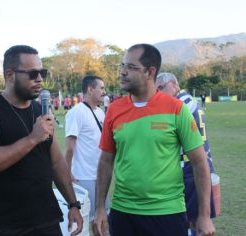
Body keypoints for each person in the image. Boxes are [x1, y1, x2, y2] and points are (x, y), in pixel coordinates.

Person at [94, 44, 215, 236]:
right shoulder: (114, 110)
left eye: (131, 67)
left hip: (167, 213)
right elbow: (106, 161)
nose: (123, 72)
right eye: (122, 66)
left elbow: (200, 163)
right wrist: (100, 207)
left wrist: (204, 215)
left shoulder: (176, 109)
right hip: (123, 212)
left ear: (150, 72)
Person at [0, 45, 83, 236]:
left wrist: (73, 204)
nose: (39, 79)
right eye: (32, 73)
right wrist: (32, 139)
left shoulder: (42, 111)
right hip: (8, 224)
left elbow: (56, 163)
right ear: (10, 75)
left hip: (47, 220)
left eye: (42, 72)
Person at [156, 72, 217, 235]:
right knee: (189, 219)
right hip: (191, 166)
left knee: (195, 221)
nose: (159, 92)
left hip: (192, 167)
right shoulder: (188, 101)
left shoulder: (180, 103)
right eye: (156, 90)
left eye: (161, 88)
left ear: (174, 84)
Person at [65, 75, 108, 223]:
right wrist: (67, 171)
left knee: (102, 219)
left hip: (102, 176)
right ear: (90, 89)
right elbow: (70, 146)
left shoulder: (100, 112)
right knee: (85, 221)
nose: (104, 91)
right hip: (84, 177)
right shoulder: (76, 112)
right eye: (101, 88)